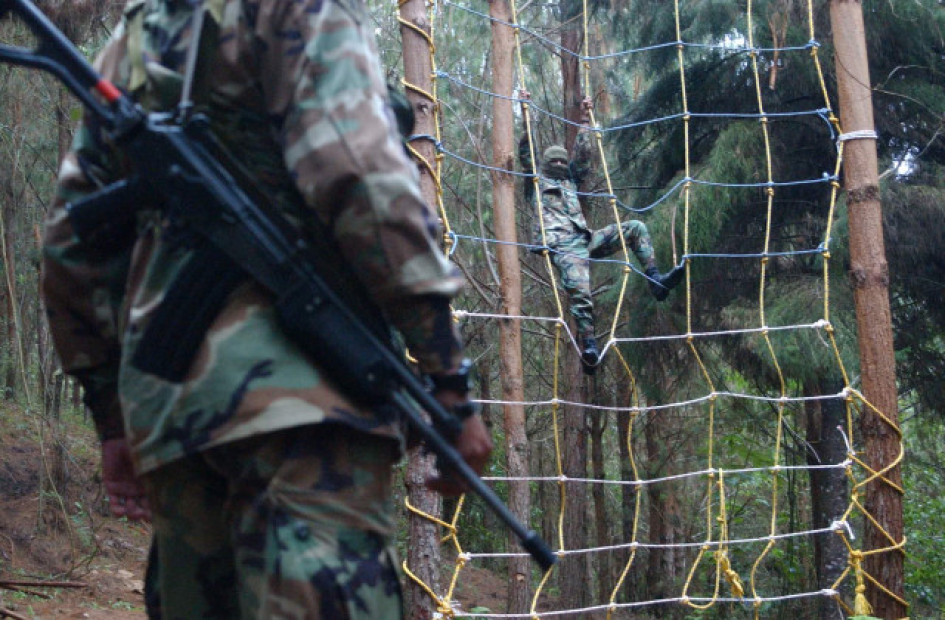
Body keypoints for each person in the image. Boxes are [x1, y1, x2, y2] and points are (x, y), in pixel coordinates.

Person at [40, 0, 493, 617]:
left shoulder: (136, 37)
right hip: (308, 416)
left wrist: (113, 416)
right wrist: (447, 376)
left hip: (174, 423)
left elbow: (70, 241)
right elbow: (361, 177)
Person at [519, 92, 684, 374]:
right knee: (581, 293)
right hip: (561, 245)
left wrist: (585, 120)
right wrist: (525, 111)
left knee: (635, 228)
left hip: (585, 238)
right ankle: (590, 347)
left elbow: (582, 155)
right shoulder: (536, 180)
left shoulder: (570, 179)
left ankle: (655, 281)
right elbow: (527, 153)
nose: (560, 165)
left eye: (562, 162)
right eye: (554, 162)